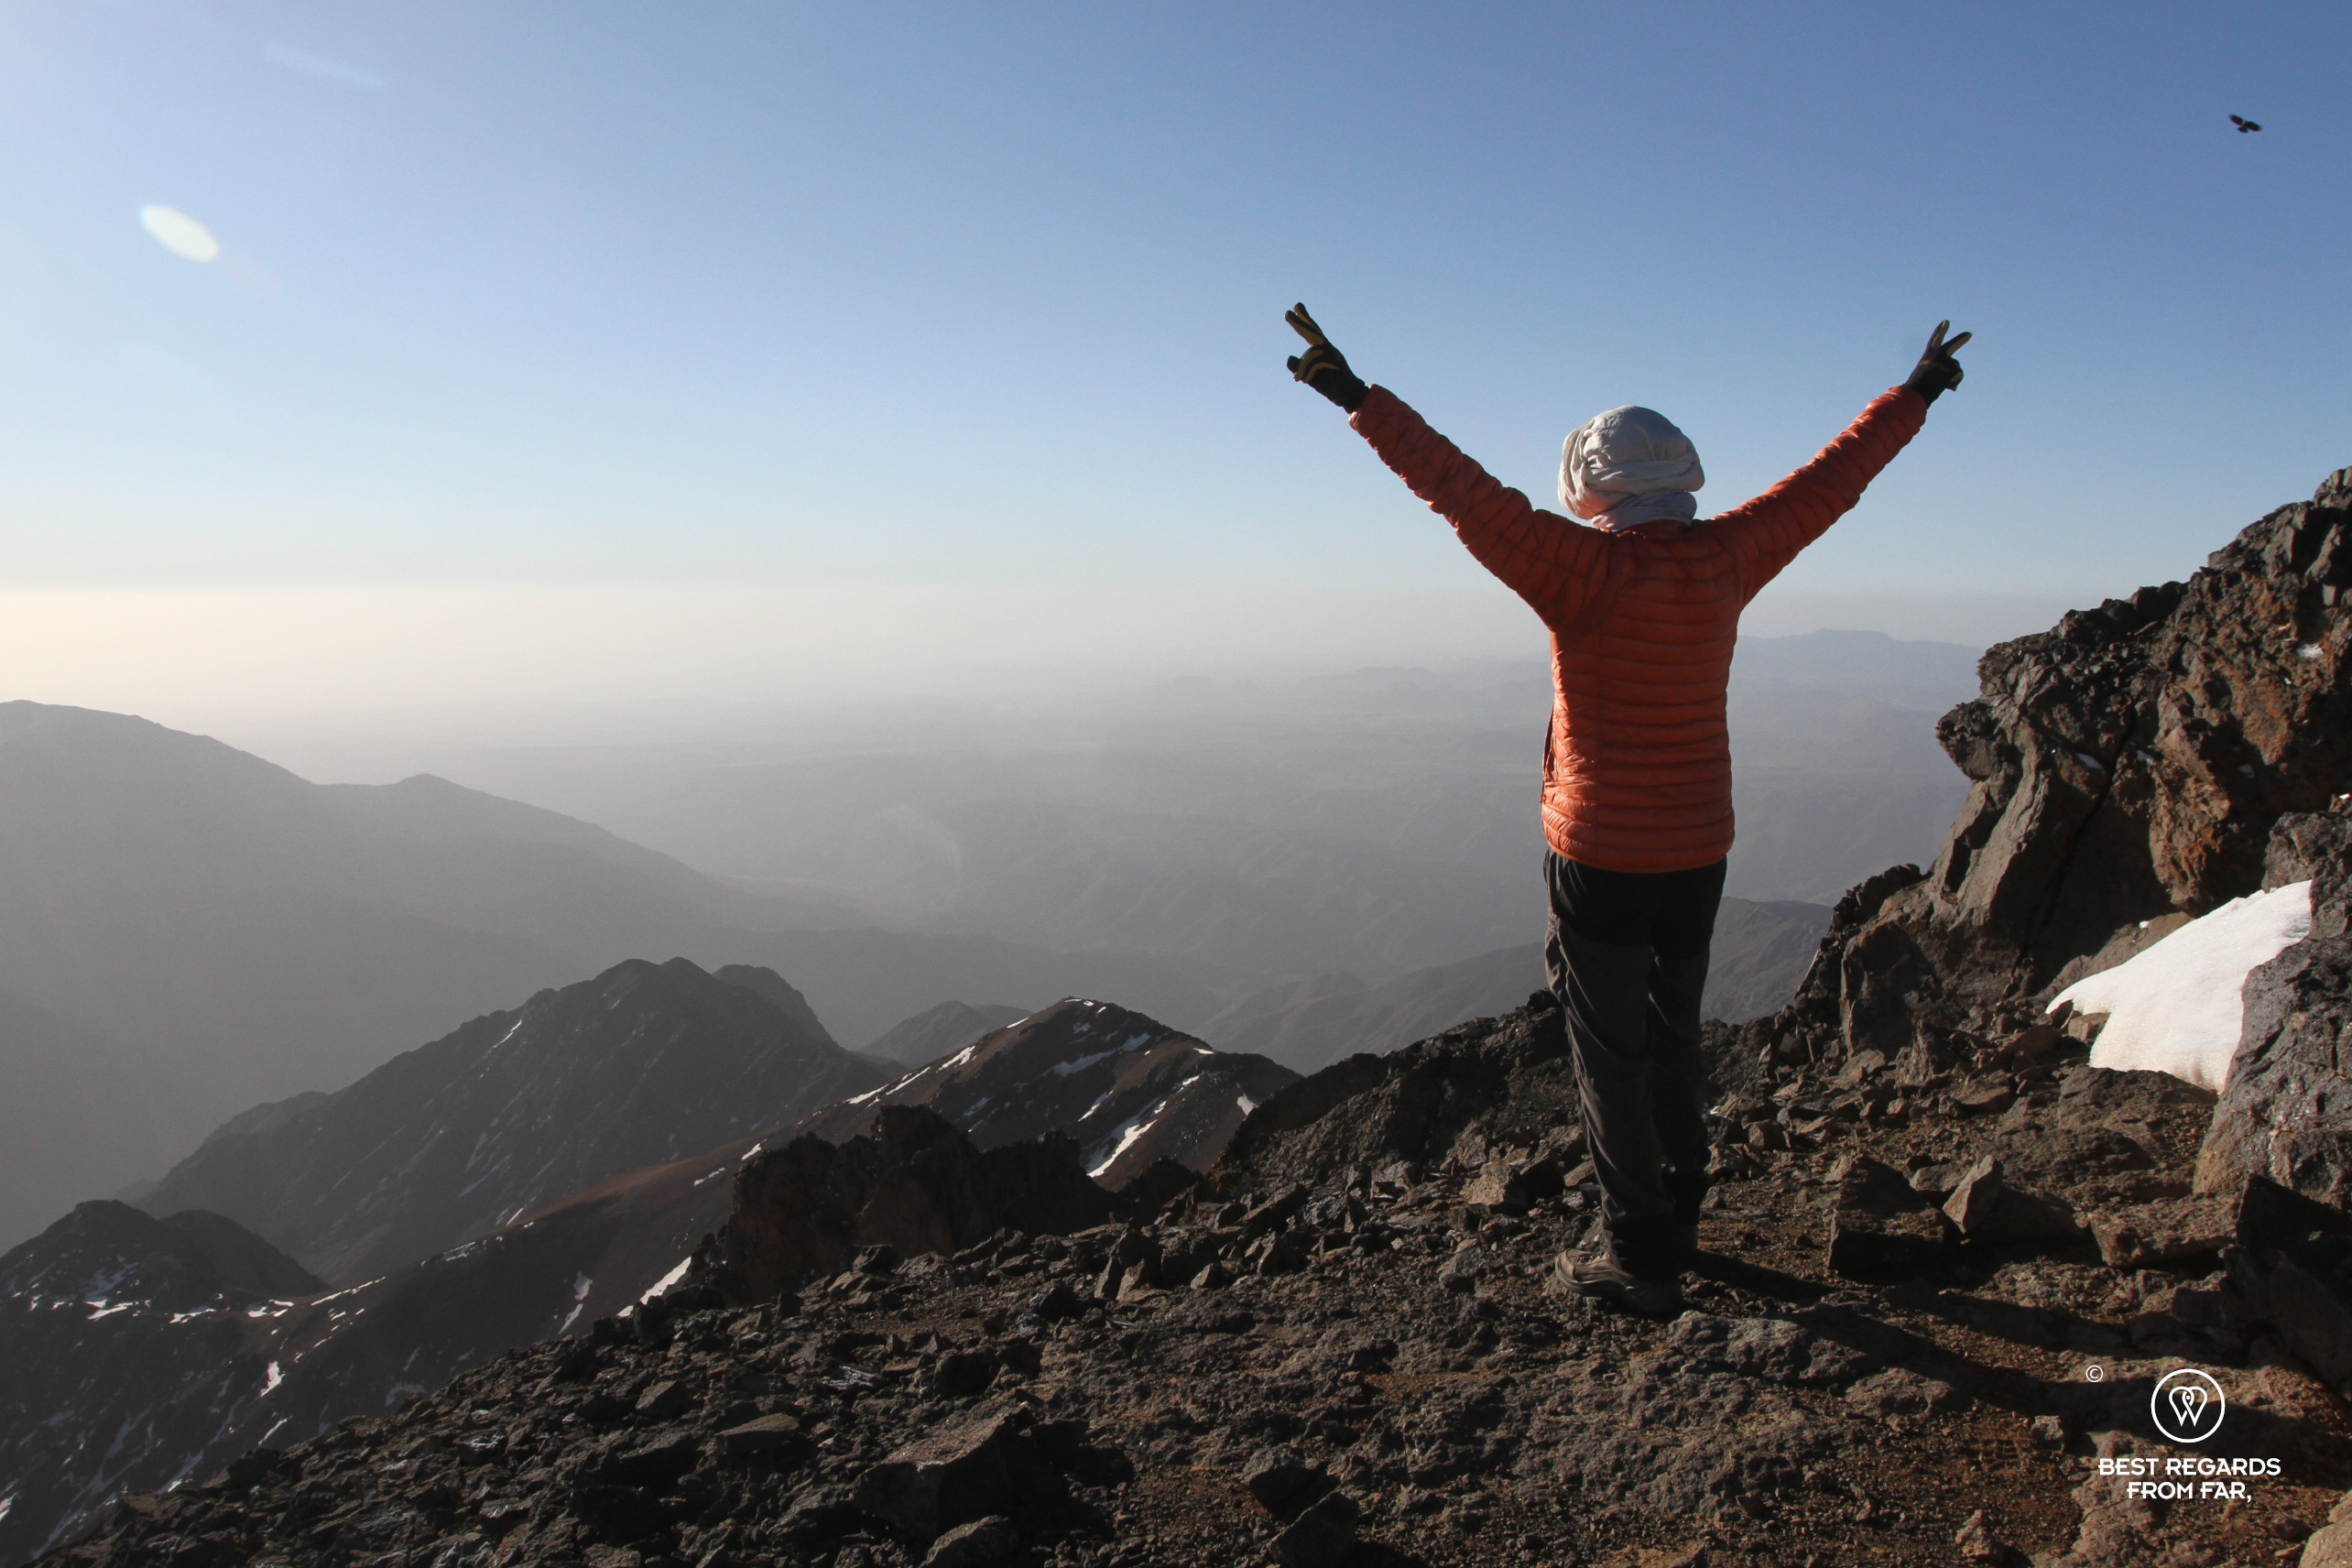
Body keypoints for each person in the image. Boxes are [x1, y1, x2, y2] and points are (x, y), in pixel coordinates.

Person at [1282, 306, 1970, 1314]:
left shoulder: (1581, 570)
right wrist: (1913, 394)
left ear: (1594, 488)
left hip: (1600, 848)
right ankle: (1680, 1208)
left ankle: (1638, 1250)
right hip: (1700, 844)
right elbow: (1832, 482)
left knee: (1608, 1047)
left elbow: (1461, 492)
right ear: (1681, 477)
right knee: (1675, 1033)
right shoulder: (1731, 555)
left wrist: (1354, 395)